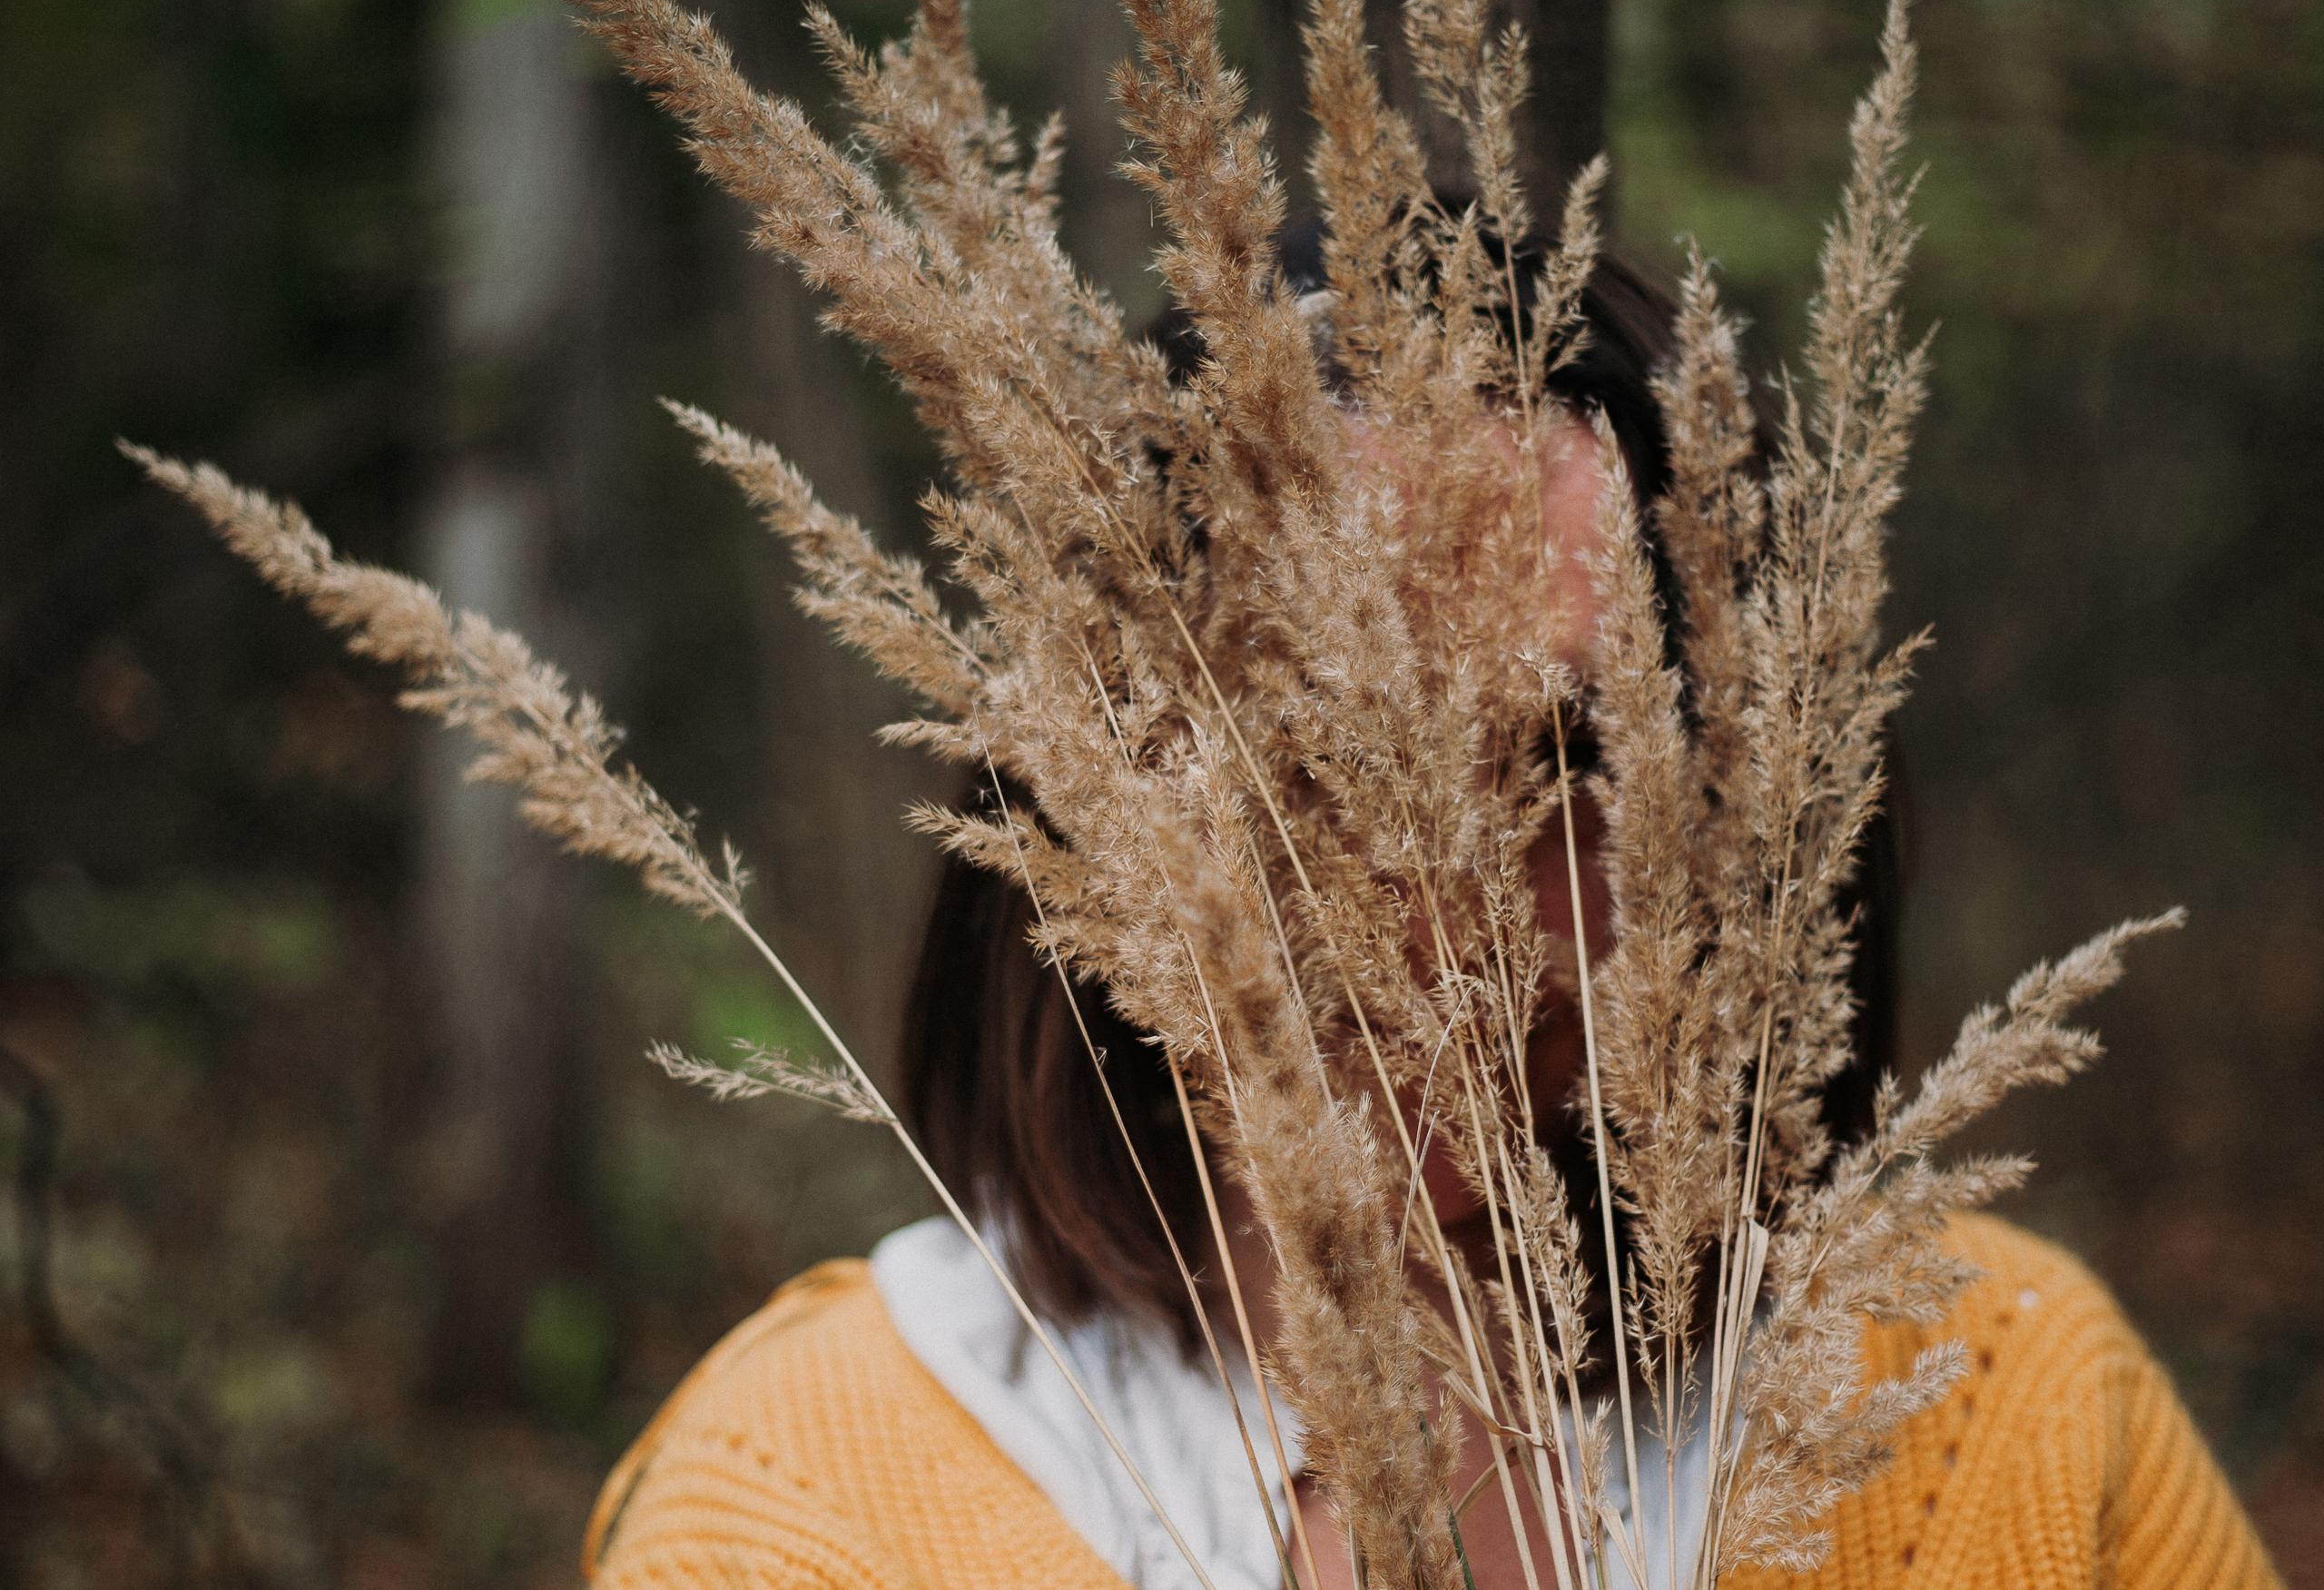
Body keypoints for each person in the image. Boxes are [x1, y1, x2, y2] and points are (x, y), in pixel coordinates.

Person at [577, 230, 2284, 1590]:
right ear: (1099, 808)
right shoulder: (797, 1510)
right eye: (1320, 764)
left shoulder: (2008, 1416)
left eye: (1563, 763)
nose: (1454, 927)